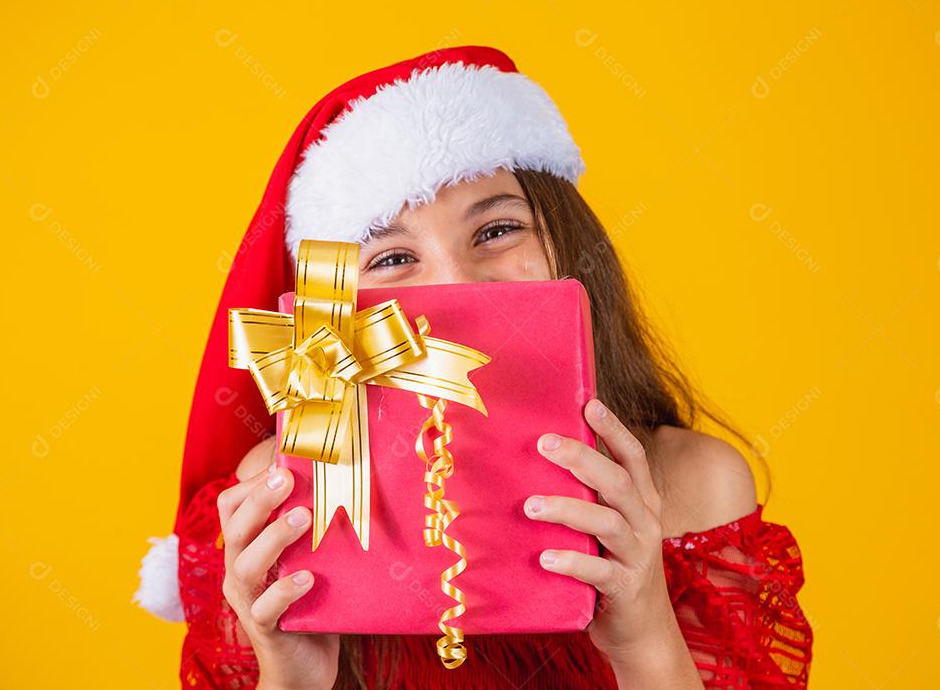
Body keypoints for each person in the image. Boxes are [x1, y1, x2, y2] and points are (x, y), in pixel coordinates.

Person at [134, 45, 813, 690]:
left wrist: (644, 636)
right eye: (393, 259)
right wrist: (292, 676)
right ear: (334, 303)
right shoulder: (276, 499)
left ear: (570, 248)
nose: (456, 284)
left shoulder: (695, 486)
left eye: (496, 231)